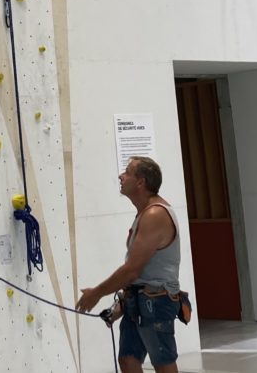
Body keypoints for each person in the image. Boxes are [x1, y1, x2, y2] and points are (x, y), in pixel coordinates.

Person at [75, 157, 183, 373]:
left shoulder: (155, 214)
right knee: (128, 360)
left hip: (156, 302)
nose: (120, 176)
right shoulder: (144, 213)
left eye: (127, 172)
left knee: (162, 364)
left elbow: (132, 270)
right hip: (140, 300)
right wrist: (121, 305)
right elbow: (140, 272)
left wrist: (96, 293)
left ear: (141, 182)